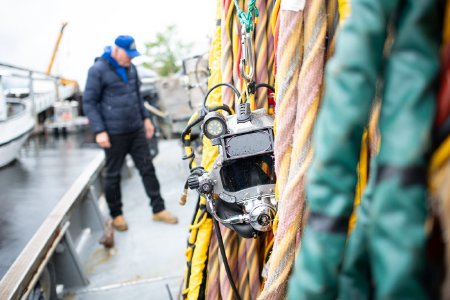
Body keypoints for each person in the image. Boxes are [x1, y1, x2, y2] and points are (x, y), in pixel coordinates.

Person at [83, 35, 178, 231]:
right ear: (116, 50)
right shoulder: (97, 70)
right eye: (129, 55)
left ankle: (158, 209)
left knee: (147, 169)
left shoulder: (131, 68)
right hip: (113, 133)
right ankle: (117, 215)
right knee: (113, 175)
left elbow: (137, 96)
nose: (131, 59)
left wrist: (146, 120)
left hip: (136, 130)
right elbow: (89, 103)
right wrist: (100, 131)